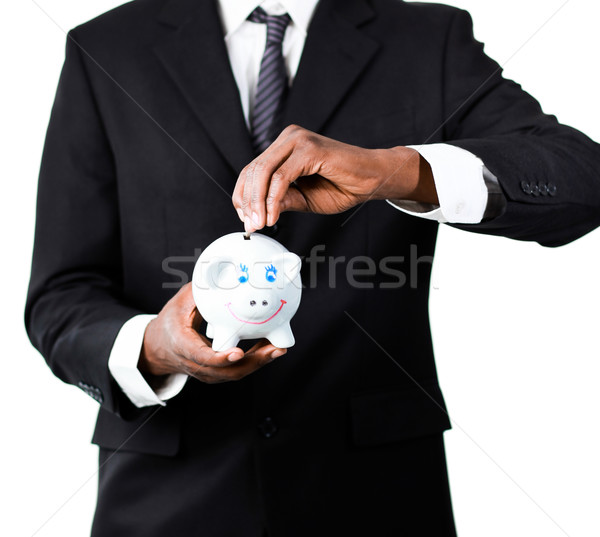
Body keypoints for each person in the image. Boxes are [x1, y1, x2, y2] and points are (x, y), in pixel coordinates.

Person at [25, 0, 600, 535]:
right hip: (166, 498)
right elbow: (62, 294)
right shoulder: (106, 46)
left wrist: (398, 171)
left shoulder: (427, 38)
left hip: (377, 496)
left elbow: (581, 180)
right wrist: (153, 348)